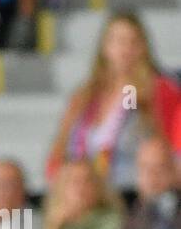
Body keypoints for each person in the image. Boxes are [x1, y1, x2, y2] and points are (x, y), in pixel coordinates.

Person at [47, 12, 181, 193]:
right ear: (104, 47)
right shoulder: (86, 95)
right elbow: (59, 152)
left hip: (134, 193)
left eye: (133, 41)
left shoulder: (158, 90)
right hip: (87, 194)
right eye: (118, 40)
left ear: (144, 47)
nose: (125, 48)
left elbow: (174, 150)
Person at [43, 159, 123, 229]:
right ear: (61, 187)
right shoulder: (51, 218)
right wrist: (54, 225)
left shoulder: (111, 219)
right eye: (75, 181)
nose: (81, 188)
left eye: (87, 181)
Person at [123, 137, 181, 229]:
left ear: (174, 171)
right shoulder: (132, 216)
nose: (152, 176)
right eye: (145, 168)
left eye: (160, 168)